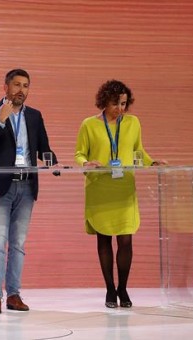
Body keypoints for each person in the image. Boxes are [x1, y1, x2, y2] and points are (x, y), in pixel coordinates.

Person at [74, 79, 166, 309]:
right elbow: (79, 154)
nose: (120, 109)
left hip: (124, 187)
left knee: (125, 240)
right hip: (99, 188)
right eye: (116, 103)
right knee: (104, 239)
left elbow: (138, 150)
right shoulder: (89, 124)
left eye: (124, 103)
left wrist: (151, 162)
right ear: (104, 101)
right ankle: (109, 289)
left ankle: (123, 288)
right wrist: (86, 163)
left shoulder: (133, 123)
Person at [0, 68, 58, 314]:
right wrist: (1, 120)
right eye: (16, 85)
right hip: (1, 186)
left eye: (25, 86)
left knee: (19, 244)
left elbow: (44, 148)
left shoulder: (34, 116)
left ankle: (13, 294)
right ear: (6, 87)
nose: (21, 90)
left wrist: (54, 163)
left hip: (26, 186)